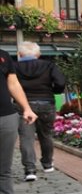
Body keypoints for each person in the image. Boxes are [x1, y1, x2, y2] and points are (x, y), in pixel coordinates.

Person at [14, 41, 66, 181]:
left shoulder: (14, 67)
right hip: (46, 104)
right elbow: (60, 82)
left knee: (26, 138)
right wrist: (54, 91)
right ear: (38, 54)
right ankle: (47, 164)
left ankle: (30, 170)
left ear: (20, 54)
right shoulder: (48, 65)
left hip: (23, 106)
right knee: (46, 135)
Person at [0, 49, 40, 194]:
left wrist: (26, 108)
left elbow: (13, 84)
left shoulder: (3, 55)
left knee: (4, 165)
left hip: (6, 116)